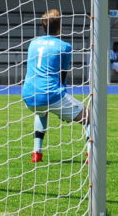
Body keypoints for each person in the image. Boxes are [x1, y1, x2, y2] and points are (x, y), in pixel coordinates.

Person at [21, 9, 90, 163]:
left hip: (29, 95)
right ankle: (92, 155)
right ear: (60, 26)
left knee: (41, 112)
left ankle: (36, 153)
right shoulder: (64, 46)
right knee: (89, 117)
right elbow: (63, 74)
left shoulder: (33, 43)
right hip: (51, 94)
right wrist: (62, 104)